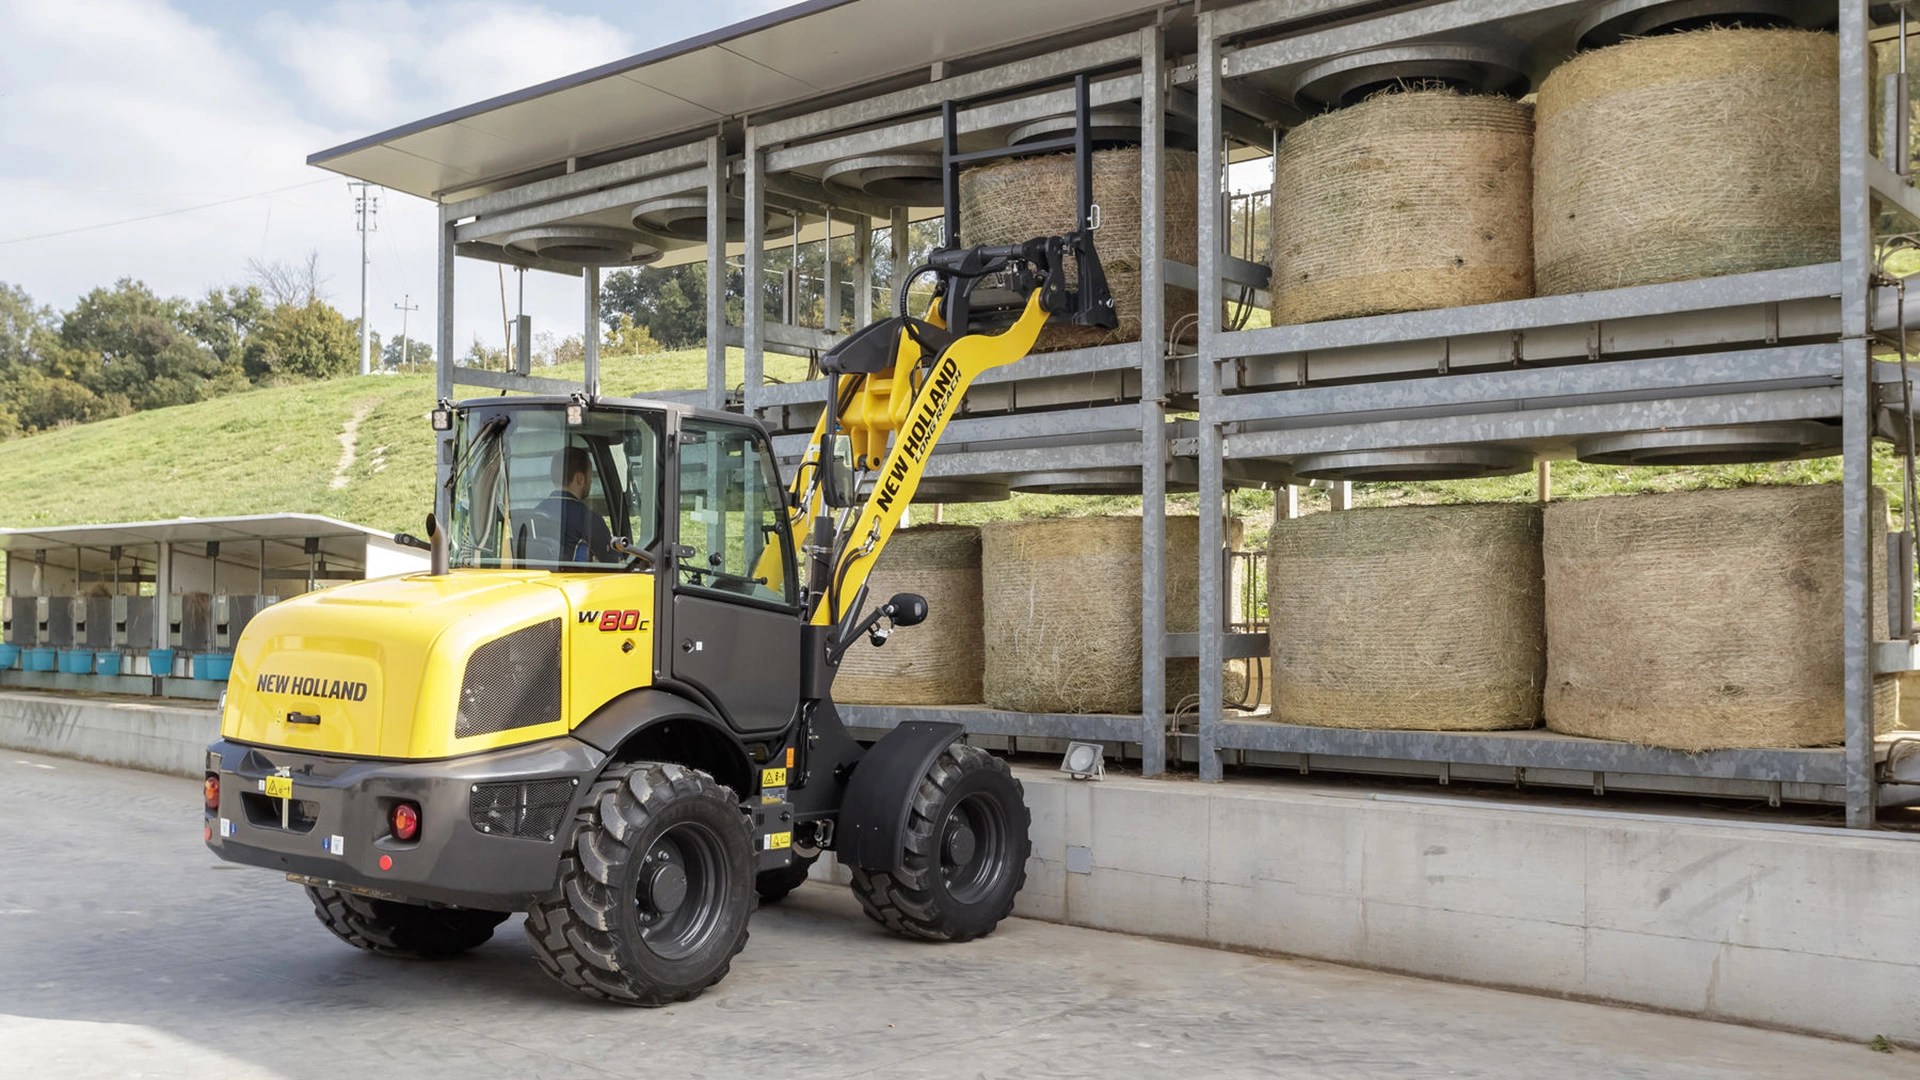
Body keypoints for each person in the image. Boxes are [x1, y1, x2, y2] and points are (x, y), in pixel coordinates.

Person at [541, 446, 614, 564]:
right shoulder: (589, 520)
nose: (590, 481)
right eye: (590, 476)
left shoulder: (534, 515)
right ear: (580, 478)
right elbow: (614, 564)